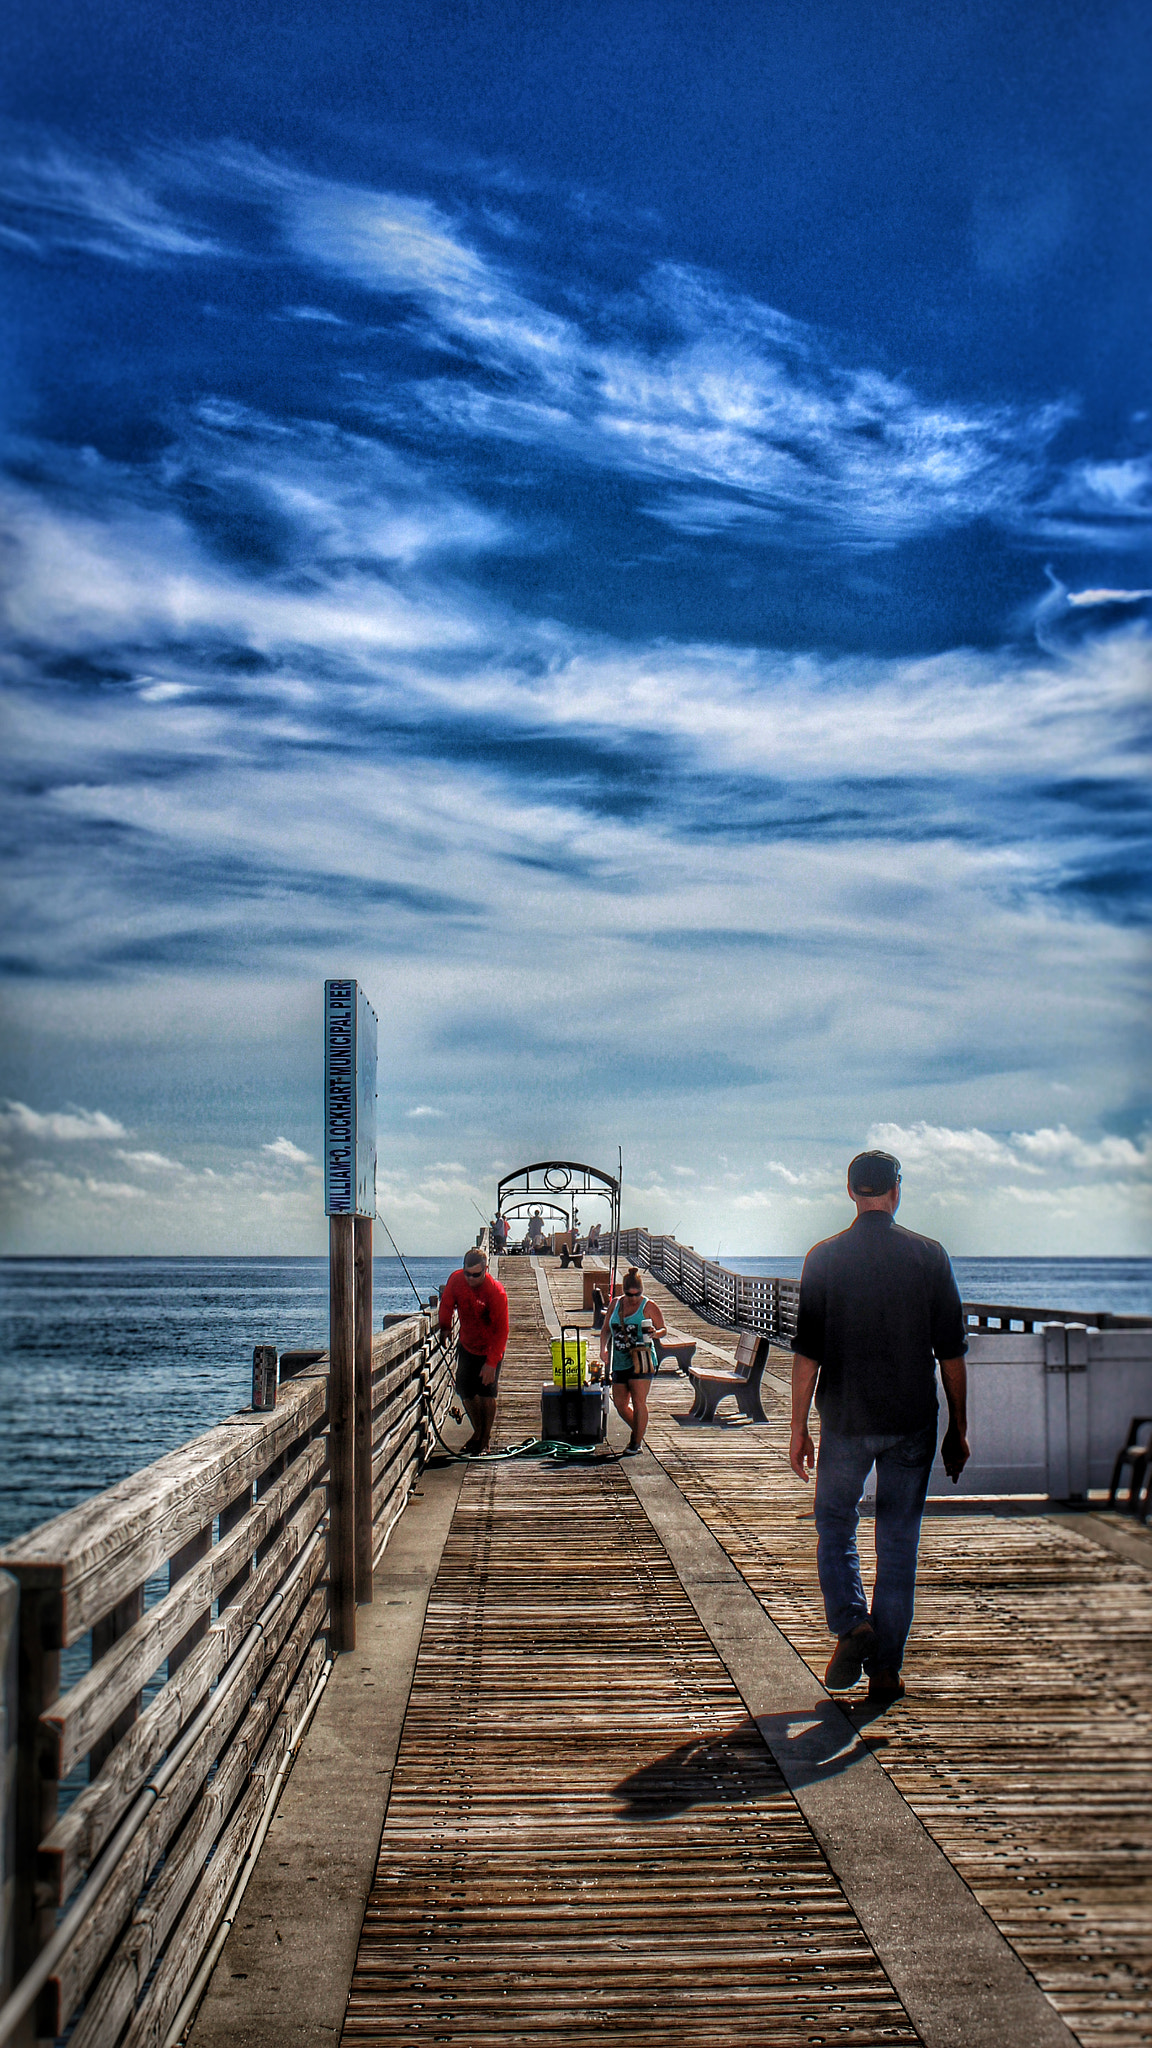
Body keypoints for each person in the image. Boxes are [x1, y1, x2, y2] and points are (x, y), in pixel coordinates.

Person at [789, 1150, 969, 1704]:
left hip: (844, 1419)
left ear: (850, 1192)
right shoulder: (929, 1256)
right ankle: (886, 1670)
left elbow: (806, 1357)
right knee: (898, 1544)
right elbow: (952, 1356)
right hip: (912, 1421)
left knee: (836, 1524)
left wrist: (797, 1428)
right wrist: (959, 1428)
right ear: (896, 1192)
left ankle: (852, 1624)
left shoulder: (823, 1259)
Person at [437, 1247, 510, 1456]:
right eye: (467, 1273)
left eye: (476, 1275)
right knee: (465, 1390)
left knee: (487, 1393)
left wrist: (492, 1363)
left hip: (490, 1348)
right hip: (467, 1345)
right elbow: (447, 1304)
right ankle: (478, 1433)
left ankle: (484, 1441)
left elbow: (502, 1330)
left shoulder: (496, 1292)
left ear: (485, 1270)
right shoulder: (456, 1280)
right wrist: (445, 1327)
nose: (470, 1279)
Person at [600, 1266, 667, 1456]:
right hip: (620, 1361)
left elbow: (663, 1329)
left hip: (642, 1359)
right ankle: (639, 1430)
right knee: (620, 1404)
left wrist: (655, 1333)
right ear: (624, 1292)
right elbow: (605, 1329)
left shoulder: (648, 1306)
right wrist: (603, 1348)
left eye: (637, 1294)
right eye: (630, 1294)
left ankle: (635, 1442)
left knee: (639, 1402)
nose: (634, 1298)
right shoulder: (615, 1304)